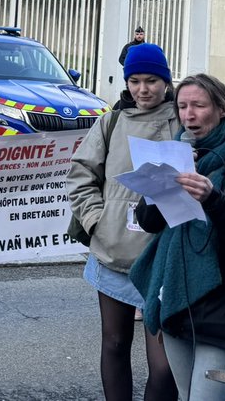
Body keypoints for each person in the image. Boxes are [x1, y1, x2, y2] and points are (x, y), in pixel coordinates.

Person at [131, 74, 225, 401]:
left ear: (223, 109)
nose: (189, 115)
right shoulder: (179, 154)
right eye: (182, 106)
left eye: (198, 105)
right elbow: (148, 222)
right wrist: (158, 183)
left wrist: (214, 199)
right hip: (177, 301)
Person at [67, 42, 179, 401]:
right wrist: (97, 219)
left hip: (164, 258)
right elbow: (81, 173)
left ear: (166, 80)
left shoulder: (183, 119)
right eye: (135, 81)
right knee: (114, 343)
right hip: (112, 252)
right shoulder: (111, 121)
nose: (142, 89)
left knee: (164, 365)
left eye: (151, 80)